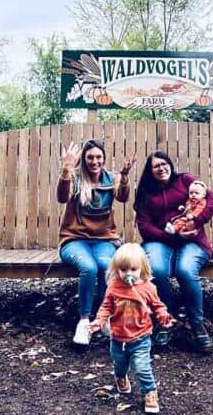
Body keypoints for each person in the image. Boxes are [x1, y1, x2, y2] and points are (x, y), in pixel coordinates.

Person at [134, 151, 213, 353]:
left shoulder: (186, 181)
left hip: (192, 240)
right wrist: (172, 237)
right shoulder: (146, 192)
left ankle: (197, 325)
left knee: (185, 270)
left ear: (170, 165)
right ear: (150, 171)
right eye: (156, 166)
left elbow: (212, 200)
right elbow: (144, 227)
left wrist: (195, 221)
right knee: (157, 270)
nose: (162, 168)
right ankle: (165, 320)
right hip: (159, 240)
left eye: (165, 164)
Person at [57, 138, 137, 345]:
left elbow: (123, 198)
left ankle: (104, 319)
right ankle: (84, 322)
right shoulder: (75, 178)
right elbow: (62, 198)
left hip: (104, 240)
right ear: (84, 159)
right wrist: (66, 169)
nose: (94, 161)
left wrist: (125, 175)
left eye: (98, 157)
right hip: (74, 240)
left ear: (104, 158)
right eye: (90, 157)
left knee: (104, 265)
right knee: (89, 267)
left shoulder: (111, 177)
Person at [88, 243, 175, 414]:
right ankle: (121, 377)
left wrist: (163, 316)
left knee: (142, 367)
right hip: (118, 338)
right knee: (120, 364)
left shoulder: (148, 288)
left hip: (140, 337)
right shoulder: (114, 287)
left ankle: (149, 392)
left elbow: (157, 306)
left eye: (133, 270)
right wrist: (99, 321)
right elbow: (106, 307)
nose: (129, 274)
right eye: (123, 270)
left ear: (142, 268)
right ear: (116, 269)